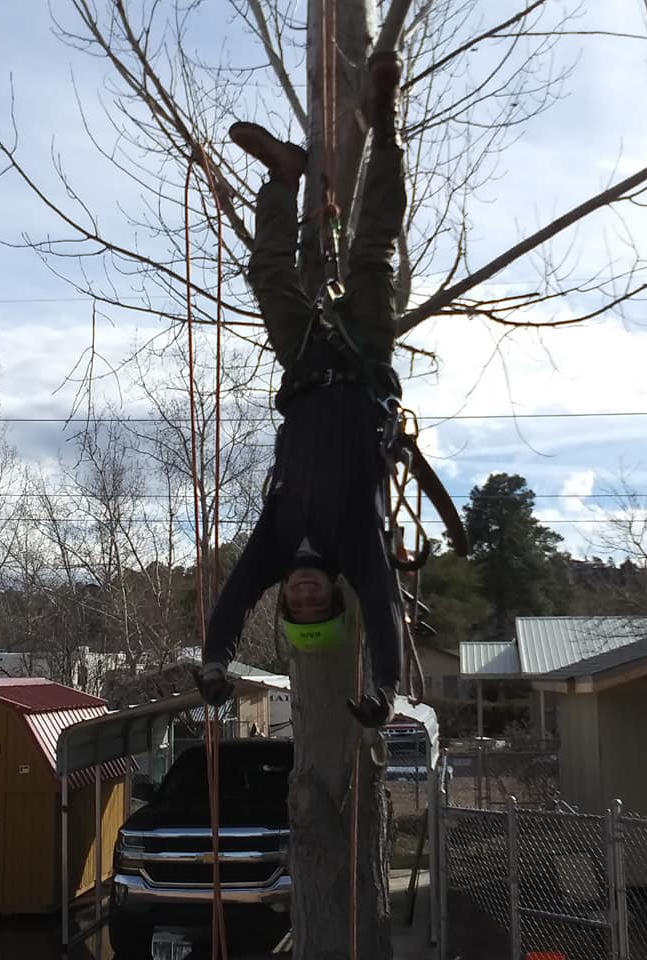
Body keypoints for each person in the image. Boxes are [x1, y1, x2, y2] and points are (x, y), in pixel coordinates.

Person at [197, 52, 406, 727]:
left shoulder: (275, 542)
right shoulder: (357, 545)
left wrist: (215, 664)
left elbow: (230, 603)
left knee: (269, 279)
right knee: (372, 251)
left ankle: (283, 180)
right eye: (322, 604)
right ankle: (385, 125)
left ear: (284, 598)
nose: (309, 594)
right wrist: (386, 689)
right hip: (366, 360)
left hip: (308, 367)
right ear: (332, 598)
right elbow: (383, 610)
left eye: (299, 605)